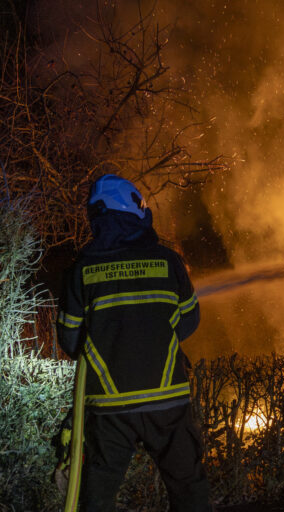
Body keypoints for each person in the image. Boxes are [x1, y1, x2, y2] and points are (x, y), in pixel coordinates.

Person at [56, 174, 212, 512]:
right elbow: (188, 322)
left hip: (108, 405)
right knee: (189, 488)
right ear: (134, 208)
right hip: (167, 400)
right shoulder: (168, 262)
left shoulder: (81, 270)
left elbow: (70, 339)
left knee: (97, 496)